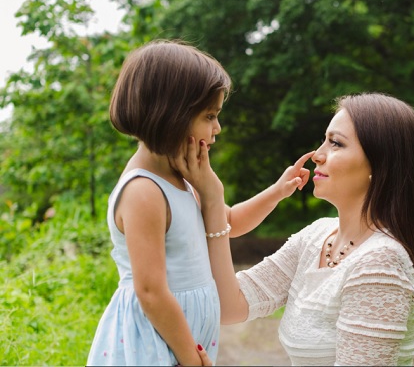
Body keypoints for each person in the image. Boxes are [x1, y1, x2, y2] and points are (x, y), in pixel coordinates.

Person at [87, 40, 312, 366]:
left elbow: (230, 222)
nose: (217, 128)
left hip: (182, 343)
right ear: (169, 114)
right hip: (154, 343)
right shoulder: (144, 191)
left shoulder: (185, 179)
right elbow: (150, 292)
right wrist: (189, 357)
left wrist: (278, 191)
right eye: (209, 116)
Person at [173, 92, 414, 366]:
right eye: (324, 140)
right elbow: (229, 305)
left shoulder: (380, 264)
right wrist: (213, 200)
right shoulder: (317, 236)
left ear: (380, 166)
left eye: (335, 144)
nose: (317, 156)